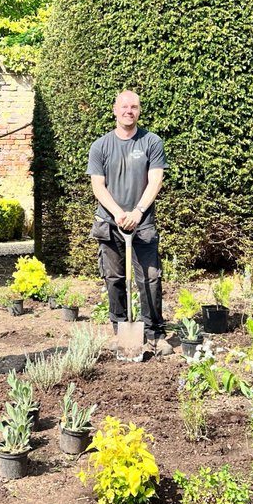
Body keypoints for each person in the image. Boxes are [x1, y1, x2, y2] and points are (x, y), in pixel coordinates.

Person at [87, 89, 171, 355]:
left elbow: (155, 179)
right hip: (109, 222)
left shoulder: (151, 142)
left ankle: (154, 333)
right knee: (113, 278)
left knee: (150, 278)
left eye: (134, 107)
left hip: (142, 222)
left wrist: (137, 211)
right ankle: (120, 330)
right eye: (124, 106)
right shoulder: (100, 146)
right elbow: (98, 186)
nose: (129, 111)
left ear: (139, 110)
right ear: (115, 110)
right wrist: (117, 213)